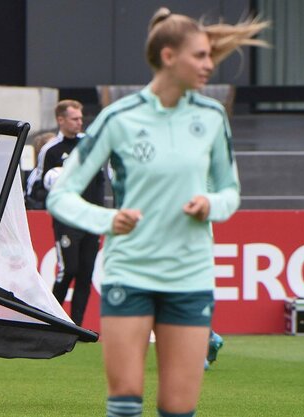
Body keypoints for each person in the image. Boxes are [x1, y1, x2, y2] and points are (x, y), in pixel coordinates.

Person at [47, 8, 267, 417]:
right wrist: (108, 220)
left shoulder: (212, 116)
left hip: (190, 275)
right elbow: (60, 195)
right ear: (169, 56)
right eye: (200, 56)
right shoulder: (119, 118)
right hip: (129, 272)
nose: (208, 65)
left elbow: (230, 192)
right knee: (125, 404)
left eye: (209, 56)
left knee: (178, 409)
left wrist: (210, 205)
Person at [42, 100, 105, 326]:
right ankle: (54, 320)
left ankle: (76, 325)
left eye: (81, 118)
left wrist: (98, 212)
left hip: (89, 219)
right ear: (61, 120)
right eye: (75, 119)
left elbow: (99, 180)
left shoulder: (89, 145)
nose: (80, 122)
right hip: (66, 221)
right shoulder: (51, 150)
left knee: (85, 274)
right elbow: (39, 183)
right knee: (68, 269)